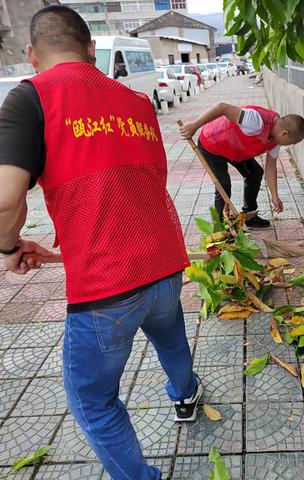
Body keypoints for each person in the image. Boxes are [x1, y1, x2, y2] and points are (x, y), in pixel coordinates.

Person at [0, 6, 201, 480]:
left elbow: (6, 204)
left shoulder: (31, 99)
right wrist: (58, 251)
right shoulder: (135, 101)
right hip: (164, 262)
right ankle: (186, 394)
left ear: (31, 55)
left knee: (93, 401)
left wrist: (8, 249)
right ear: (92, 49)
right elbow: (130, 190)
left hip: (106, 288)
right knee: (170, 335)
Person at [180, 103, 304, 228]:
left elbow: (271, 167)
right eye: (291, 142)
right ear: (284, 134)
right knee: (223, 185)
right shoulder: (255, 121)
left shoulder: (276, 138)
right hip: (212, 144)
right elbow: (222, 107)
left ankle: (249, 215)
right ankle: (220, 227)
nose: (289, 145)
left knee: (255, 173)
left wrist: (274, 196)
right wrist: (194, 125)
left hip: (235, 149)